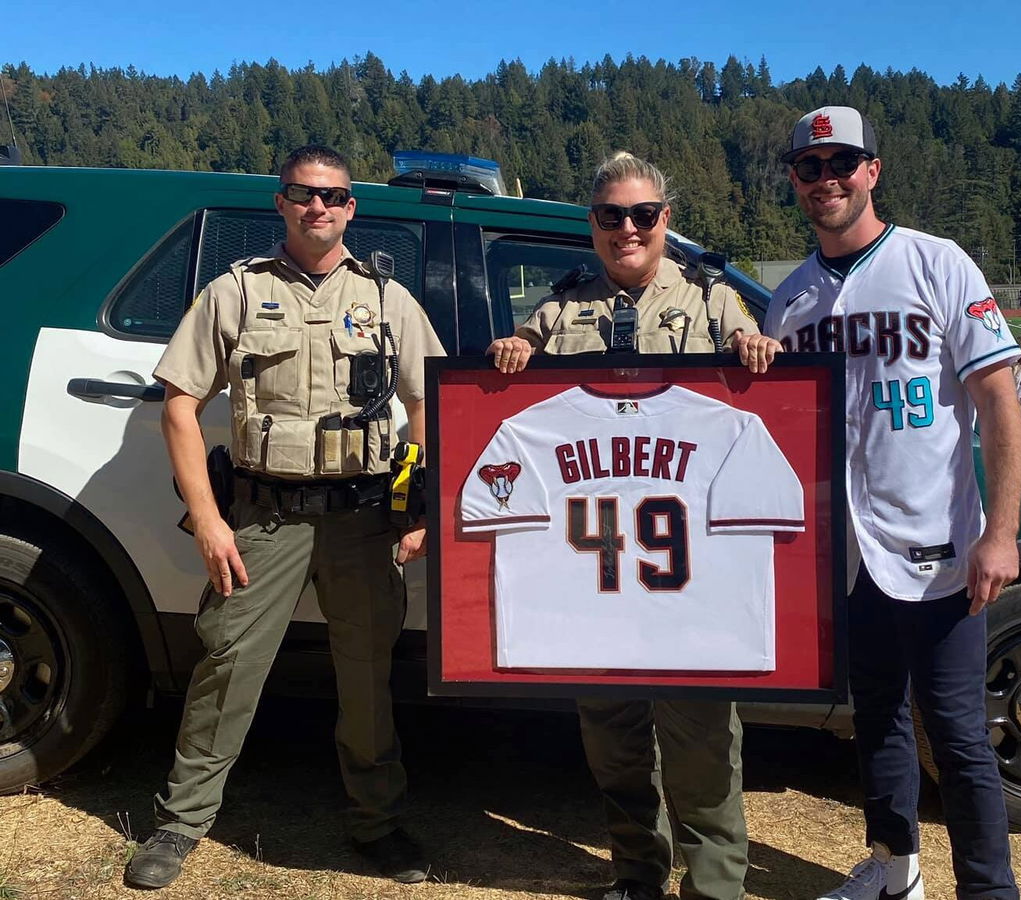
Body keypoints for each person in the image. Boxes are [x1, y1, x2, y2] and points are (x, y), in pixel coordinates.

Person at [125, 145, 445, 889]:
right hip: (262, 517)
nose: (319, 208)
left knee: (367, 676)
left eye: (333, 196)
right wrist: (207, 521)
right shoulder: (235, 292)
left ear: (352, 208)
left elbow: (430, 398)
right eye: (304, 194)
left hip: (362, 522)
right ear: (282, 203)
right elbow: (178, 403)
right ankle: (181, 822)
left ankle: (378, 823)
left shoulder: (386, 298)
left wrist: (412, 496)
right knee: (227, 666)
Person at [733, 106, 1021, 900]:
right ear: (795, 182)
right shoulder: (790, 299)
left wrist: (1001, 533)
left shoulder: (938, 263)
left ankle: (990, 890)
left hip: (939, 543)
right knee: (877, 720)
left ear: (872, 170)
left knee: (959, 736)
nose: (825, 180)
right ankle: (896, 871)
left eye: (841, 163)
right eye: (808, 168)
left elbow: (1000, 404)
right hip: (847, 552)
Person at [486, 151, 759, 900]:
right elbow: (518, 382)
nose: (627, 229)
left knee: (703, 743)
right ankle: (637, 873)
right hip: (594, 576)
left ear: (665, 219)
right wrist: (514, 351)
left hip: (690, 573)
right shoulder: (564, 302)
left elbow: (755, 368)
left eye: (642, 214)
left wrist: (755, 349)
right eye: (611, 216)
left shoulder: (711, 299)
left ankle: (714, 887)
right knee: (613, 741)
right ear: (593, 225)